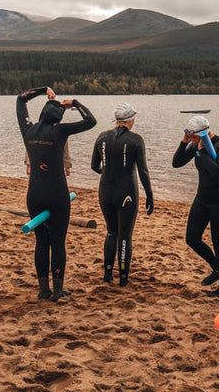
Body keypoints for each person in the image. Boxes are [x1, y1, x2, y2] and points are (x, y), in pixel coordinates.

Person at [17, 86, 96, 301]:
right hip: (57, 195)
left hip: (34, 194)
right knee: (58, 242)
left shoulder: (29, 129)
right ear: (57, 119)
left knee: (41, 241)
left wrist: (43, 91)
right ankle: (58, 290)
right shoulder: (59, 131)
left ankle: (43, 289)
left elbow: (21, 100)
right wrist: (76, 103)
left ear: (42, 114)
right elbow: (91, 121)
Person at [91, 103, 153, 286]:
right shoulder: (136, 140)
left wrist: (109, 169)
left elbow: (94, 166)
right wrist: (149, 195)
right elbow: (143, 171)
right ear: (130, 120)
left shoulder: (102, 137)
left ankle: (108, 274)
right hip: (127, 192)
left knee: (111, 232)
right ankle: (124, 278)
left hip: (105, 191)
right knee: (124, 235)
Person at [172, 115, 219, 298]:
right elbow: (176, 163)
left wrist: (203, 152)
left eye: (195, 137)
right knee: (191, 238)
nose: (193, 141)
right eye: (191, 138)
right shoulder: (194, 144)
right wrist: (184, 143)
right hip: (202, 199)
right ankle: (216, 269)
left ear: (205, 134)